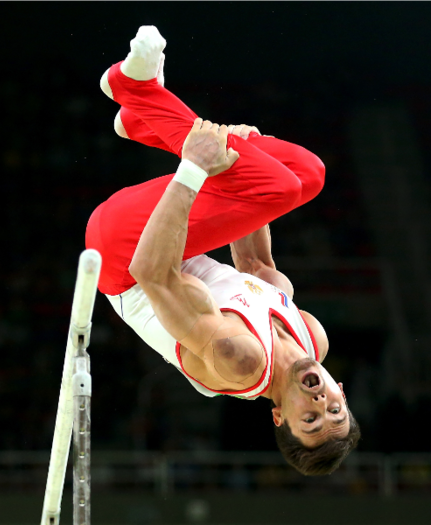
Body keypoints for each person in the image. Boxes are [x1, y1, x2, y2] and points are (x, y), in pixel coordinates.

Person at [85, 26, 360, 476]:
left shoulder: (239, 361)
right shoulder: (313, 337)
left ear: (279, 417)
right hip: (180, 243)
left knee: (280, 186)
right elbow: (255, 263)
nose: (319, 403)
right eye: (334, 411)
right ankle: (141, 120)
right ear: (341, 392)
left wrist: (196, 168)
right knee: (305, 174)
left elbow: (152, 272)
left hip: (125, 254)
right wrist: (245, 159)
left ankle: (134, 91)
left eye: (309, 419)